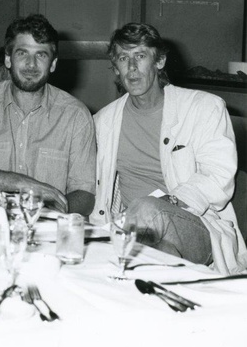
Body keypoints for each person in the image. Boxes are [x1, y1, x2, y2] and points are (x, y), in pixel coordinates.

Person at [93, 22, 247, 274]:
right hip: (131, 229)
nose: (131, 67)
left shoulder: (203, 108)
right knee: (158, 253)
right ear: (116, 68)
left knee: (147, 209)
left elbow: (219, 178)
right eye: (123, 58)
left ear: (160, 61)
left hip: (195, 225)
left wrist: (168, 202)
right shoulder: (104, 121)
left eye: (140, 56)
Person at [0, 14, 96, 215]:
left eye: (41, 55)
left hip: (48, 231)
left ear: (53, 64)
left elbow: (85, 194)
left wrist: (42, 216)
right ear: (8, 60)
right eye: (22, 53)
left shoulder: (75, 115)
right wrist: (22, 184)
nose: (31, 64)